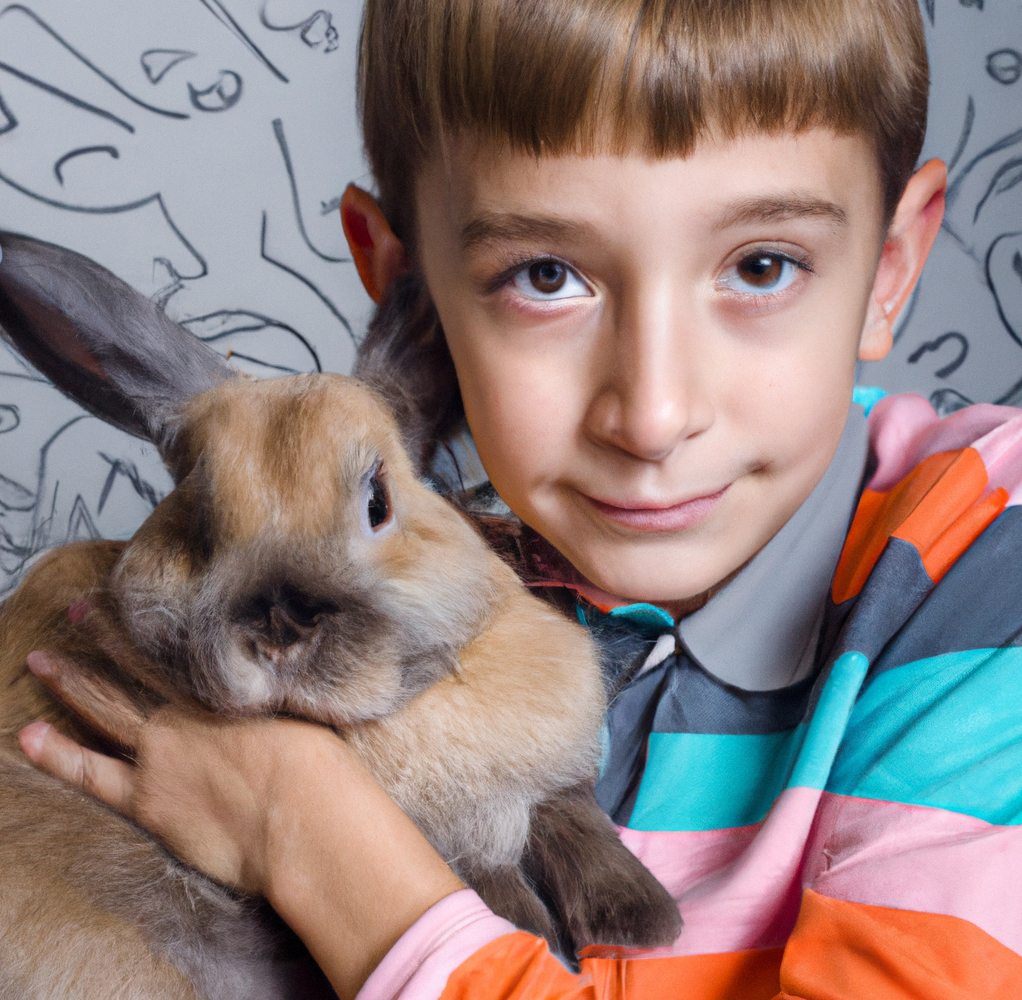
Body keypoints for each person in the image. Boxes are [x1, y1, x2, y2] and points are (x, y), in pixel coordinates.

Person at [17, 0, 1022, 996]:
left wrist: (302, 824)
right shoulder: (419, 581)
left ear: (886, 271)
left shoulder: (983, 571)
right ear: (406, 290)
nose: (652, 413)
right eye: (544, 276)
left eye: (760, 266)